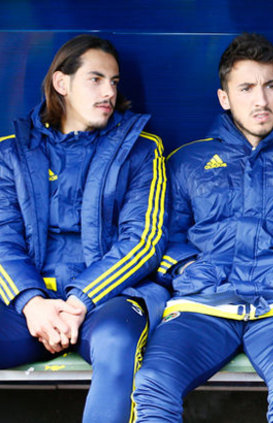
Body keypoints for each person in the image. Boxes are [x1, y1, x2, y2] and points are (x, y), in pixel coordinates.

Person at [132, 33, 273, 422]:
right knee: (153, 384)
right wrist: (185, 267)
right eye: (246, 88)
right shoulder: (187, 160)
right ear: (224, 97)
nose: (261, 100)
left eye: (270, 86)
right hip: (202, 302)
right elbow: (161, 237)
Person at [0, 34, 168, 422]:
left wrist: (79, 303)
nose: (109, 92)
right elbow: (3, 238)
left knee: (117, 343)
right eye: (95, 79)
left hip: (107, 300)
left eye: (114, 81)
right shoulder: (11, 152)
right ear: (61, 83)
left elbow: (143, 241)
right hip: (29, 303)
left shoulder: (142, 150)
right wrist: (33, 304)